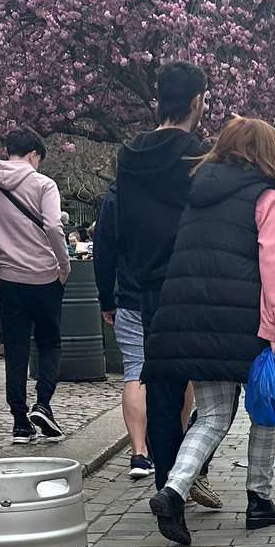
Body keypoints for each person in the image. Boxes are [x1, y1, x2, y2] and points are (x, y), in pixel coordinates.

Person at [144, 117, 275, 546]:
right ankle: (259, 498)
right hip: (251, 325)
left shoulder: (199, 196)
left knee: (214, 416)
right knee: (266, 408)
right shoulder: (269, 198)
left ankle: (174, 489)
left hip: (199, 325)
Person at [94, 62, 213, 486]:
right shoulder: (197, 155)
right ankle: (186, 469)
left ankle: (168, 478)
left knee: (158, 382)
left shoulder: (128, 157)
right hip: (188, 282)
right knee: (204, 388)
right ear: (197, 101)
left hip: (142, 287)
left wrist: (106, 293)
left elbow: (113, 227)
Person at [0, 127, 72, 444]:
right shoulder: (44, 185)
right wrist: (63, 265)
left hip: (9, 279)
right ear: (33, 154)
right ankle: (43, 404)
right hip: (45, 277)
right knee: (49, 343)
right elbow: (55, 226)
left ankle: (19, 421)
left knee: (15, 349)